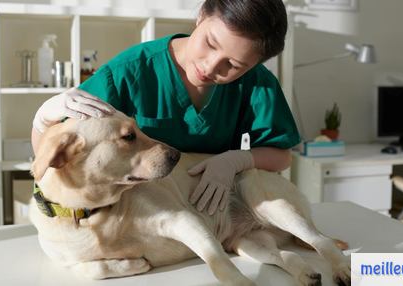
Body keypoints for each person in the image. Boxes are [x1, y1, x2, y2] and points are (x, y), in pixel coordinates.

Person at [31, 0, 300, 216]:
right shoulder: (130, 71)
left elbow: (281, 155)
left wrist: (235, 160)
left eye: (233, 65)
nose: (210, 66)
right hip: (138, 215)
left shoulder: (257, 84)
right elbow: (53, 160)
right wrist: (43, 120)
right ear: (201, 15)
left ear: (253, 66)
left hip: (210, 212)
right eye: (210, 43)